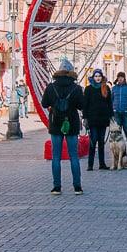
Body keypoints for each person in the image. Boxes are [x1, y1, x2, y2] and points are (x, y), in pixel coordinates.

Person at [40, 58, 84, 195]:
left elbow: (44, 103)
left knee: (56, 156)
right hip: (71, 123)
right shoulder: (76, 88)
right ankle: (77, 187)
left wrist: (54, 104)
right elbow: (82, 106)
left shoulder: (51, 87)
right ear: (71, 72)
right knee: (74, 156)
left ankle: (57, 187)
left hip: (55, 123)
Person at [82, 69, 113, 171]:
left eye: (99, 76)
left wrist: (111, 115)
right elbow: (85, 105)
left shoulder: (106, 88)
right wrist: (85, 117)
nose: (98, 78)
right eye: (96, 76)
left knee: (101, 142)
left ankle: (102, 164)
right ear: (93, 77)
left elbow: (109, 103)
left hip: (103, 119)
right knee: (93, 141)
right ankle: (90, 164)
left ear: (102, 77)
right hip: (92, 119)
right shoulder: (88, 89)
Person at [111, 71, 127, 150]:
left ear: (124, 78)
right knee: (118, 129)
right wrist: (110, 109)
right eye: (119, 78)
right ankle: (119, 145)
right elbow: (111, 99)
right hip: (116, 111)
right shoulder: (114, 88)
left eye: (121, 77)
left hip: (125, 111)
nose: (120, 79)